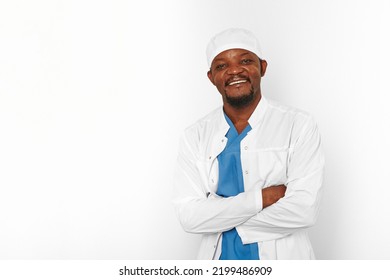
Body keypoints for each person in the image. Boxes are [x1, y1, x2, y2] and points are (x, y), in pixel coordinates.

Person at [173, 28, 324, 260]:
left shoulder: (298, 125)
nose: (234, 70)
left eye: (245, 60)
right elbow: (189, 217)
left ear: (263, 67)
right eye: (221, 66)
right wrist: (261, 198)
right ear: (211, 77)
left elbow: (304, 211)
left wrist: (218, 216)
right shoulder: (194, 136)